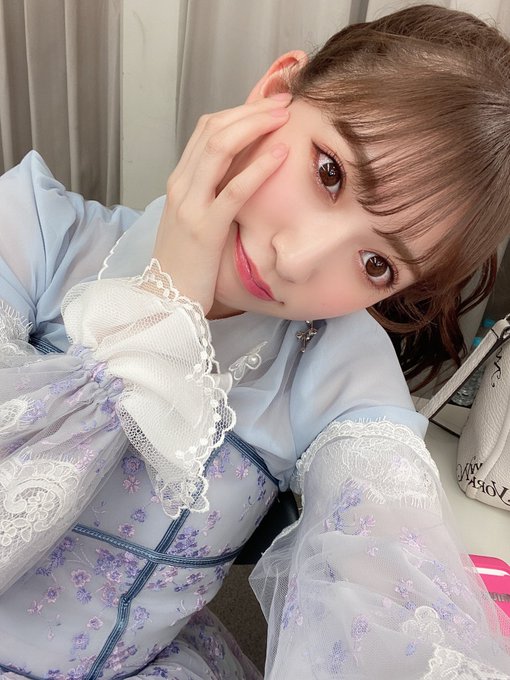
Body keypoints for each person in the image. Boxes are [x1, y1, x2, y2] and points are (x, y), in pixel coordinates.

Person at [0, 4, 510, 679]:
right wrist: (162, 313)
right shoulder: (33, 228)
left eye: (375, 264)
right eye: (329, 172)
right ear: (276, 93)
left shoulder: (338, 365)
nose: (295, 260)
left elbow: (388, 571)